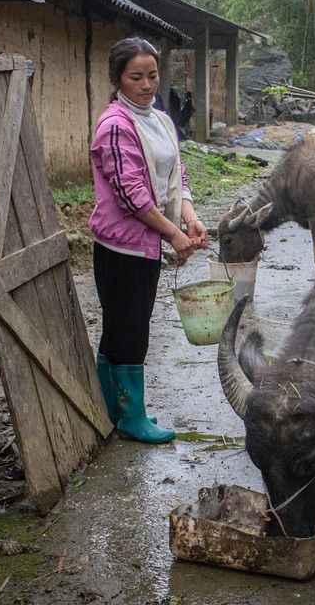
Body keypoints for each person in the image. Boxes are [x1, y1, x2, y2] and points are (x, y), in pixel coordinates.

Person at [89, 37, 209, 443]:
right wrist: (174, 234)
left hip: (146, 242)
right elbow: (131, 194)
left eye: (152, 75)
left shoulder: (159, 120)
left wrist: (189, 218)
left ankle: (114, 409)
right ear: (118, 78)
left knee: (123, 326)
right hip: (120, 247)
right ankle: (131, 417)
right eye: (135, 77)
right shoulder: (115, 125)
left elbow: (176, 176)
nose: (146, 85)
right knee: (130, 331)